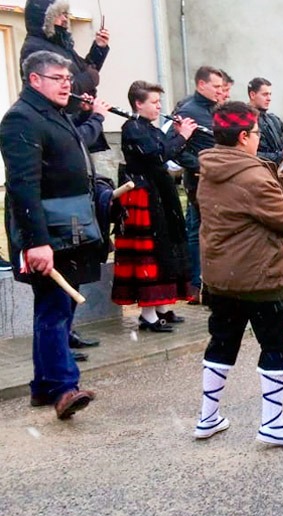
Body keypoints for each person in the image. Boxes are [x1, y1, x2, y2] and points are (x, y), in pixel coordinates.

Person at [191, 101, 283, 445]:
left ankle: (207, 417)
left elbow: (256, 187)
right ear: (242, 137)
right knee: (277, 347)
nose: (257, 138)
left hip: (223, 277)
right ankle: (272, 423)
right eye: (254, 132)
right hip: (261, 276)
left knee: (222, 342)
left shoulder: (211, 168)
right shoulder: (252, 177)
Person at [1, 51, 111, 419]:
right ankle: (65, 388)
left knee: (56, 309)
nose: (67, 84)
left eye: (68, 78)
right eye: (58, 78)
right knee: (54, 309)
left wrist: (87, 113)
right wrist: (36, 243)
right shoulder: (21, 119)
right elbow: (23, 186)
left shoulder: (53, 113)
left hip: (70, 228)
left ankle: (42, 387)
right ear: (34, 80)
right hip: (48, 233)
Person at [112, 81, 198, 332]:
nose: (159, 107)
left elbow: (166, 150)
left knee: (168, 248)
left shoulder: (149, 128)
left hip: (160, 193)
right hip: (143, 196)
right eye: (154, 102)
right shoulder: (132, 128)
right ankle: (147, 315)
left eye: (159, 102)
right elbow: (158, 154)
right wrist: (182, 136)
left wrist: (178, 135)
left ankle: (162, 307)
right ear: (138, 104)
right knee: (150, 252)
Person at [173, 65, 224, 301]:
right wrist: (202, 166)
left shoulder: (215, 109)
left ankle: (213, 282)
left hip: (220, 180)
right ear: (201, 85)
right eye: (216, 86)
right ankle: (196, 284)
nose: (220, 91)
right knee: (198, 233)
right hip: (199, 182)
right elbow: (176, 149)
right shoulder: (188, 111)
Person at [20, 0, 110, 116]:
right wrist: (89, 78)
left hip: (77, 116)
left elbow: (85, 69)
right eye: (59, 14)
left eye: (65, 14)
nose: (64, 19)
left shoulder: (59, 44)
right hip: (60, 118)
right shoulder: (36, 48)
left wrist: (99, 47)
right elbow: (57, 89)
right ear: (45, 18)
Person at [248, 77, 283, 166]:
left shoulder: (273, 119)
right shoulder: (244, 121)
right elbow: (248, 153)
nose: (269, 98)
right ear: (252, 95)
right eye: (265, 94)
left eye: (270, 94)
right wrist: (280, 156)